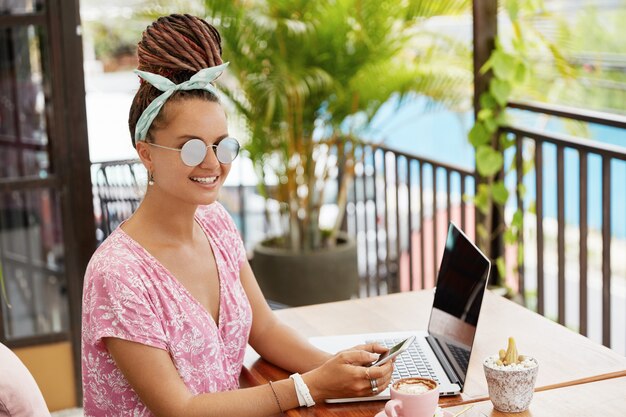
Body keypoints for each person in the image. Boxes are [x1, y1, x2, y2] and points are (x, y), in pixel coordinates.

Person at [81, 14, 393, 417]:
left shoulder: (216, 224)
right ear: (147, 153)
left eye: (222, 145)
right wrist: (310, 387)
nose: (212, 163)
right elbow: (180, 409)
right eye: (191, 148)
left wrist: (338, 366)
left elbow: (265, 329)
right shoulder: (118, 275)